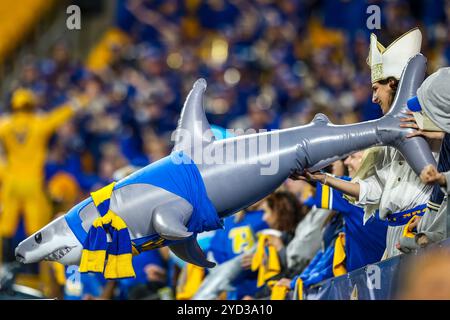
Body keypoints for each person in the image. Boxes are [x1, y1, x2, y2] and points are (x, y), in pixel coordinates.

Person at [295, 28, 441, 259]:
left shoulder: (434, 120)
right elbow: (371, 191)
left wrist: (435, 131)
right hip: (394, 234)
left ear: (392, 83)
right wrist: (323, 179)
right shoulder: (385, 137)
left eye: (376, 89)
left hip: (425, 226)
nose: (373, 98)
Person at [0, 88, 89, 263]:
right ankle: (38, 271)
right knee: (36, 229)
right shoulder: (39, 124)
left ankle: (3, 265)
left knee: (4, 227)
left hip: (11, 183)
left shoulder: (5, 125)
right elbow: (60, 115)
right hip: (33, 183)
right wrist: (82, 100)